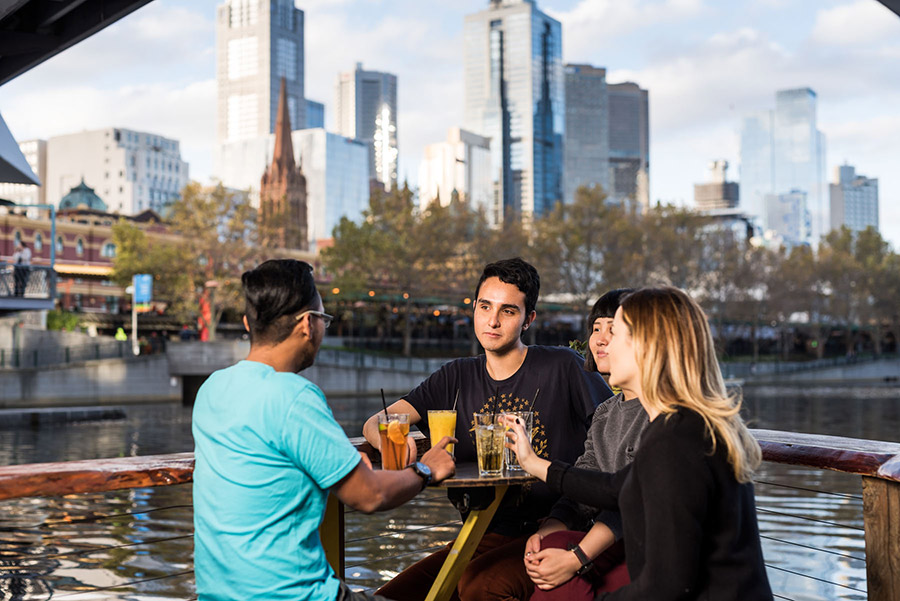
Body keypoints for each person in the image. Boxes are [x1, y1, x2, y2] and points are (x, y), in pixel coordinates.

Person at [192, 259, 457, 601]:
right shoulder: (294, 396)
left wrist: (342, 462)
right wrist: (425, 469)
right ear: (307, 324)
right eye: (324, 319)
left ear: (248, 323)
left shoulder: (213, 388)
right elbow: (370, 496)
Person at [362, 257, 612, 601]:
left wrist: (570, 520)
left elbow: (614, 443)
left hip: (555, 528)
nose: (492, 321)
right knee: (389, 597)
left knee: (481, 587)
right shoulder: (455, 376)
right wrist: (393, 438)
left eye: (508, 311)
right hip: (481, 534)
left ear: (528, 320)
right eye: (484, 307)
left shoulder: (562, 367)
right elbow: (377, 421)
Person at [504, 287, 774, 600]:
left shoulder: (677, 439)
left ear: (647, 347)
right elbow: (617, 488)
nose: (603, 344)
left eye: (615, 333)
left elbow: (667, 587)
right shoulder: (682, 426)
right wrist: (533, 462)